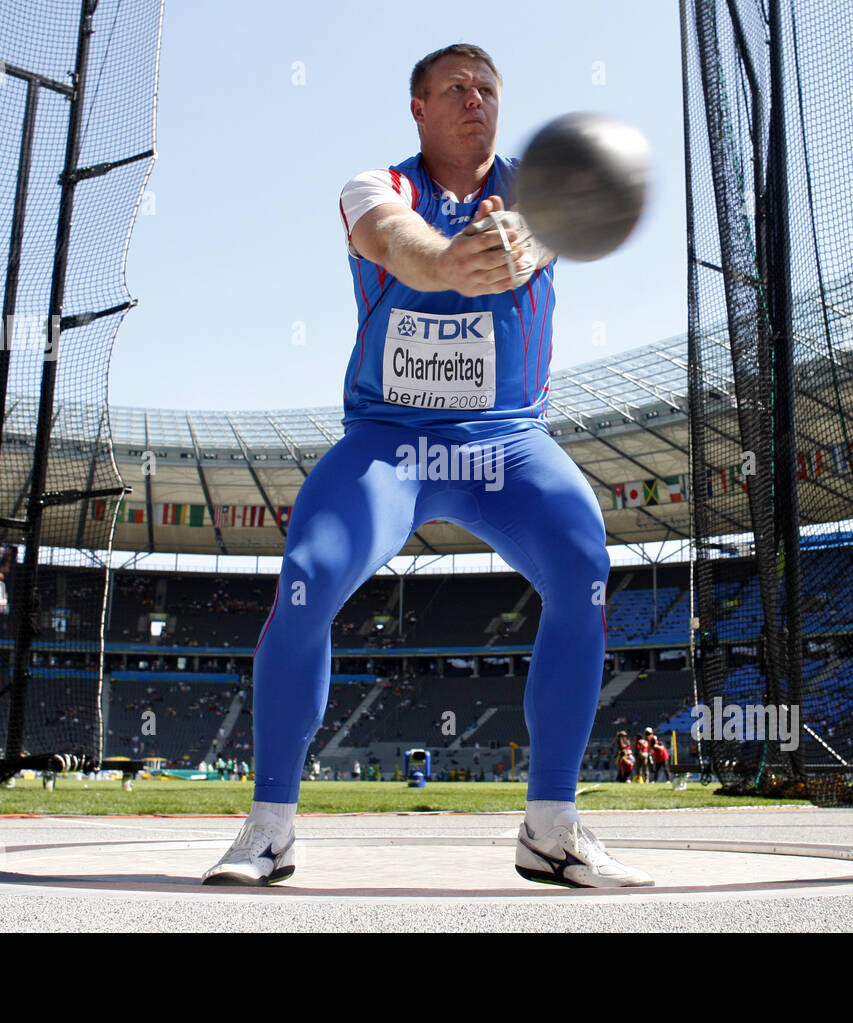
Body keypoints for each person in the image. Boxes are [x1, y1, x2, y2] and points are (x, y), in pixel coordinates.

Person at [201, 43, 651, 889]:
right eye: (454, 88)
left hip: (504, 440)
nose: (474, 100)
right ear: (418, 107)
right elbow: (388, 236)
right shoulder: (376, 185)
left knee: (585, 563)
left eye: (487, 89)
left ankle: (552, 825)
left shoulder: (534, 190)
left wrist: (536, 234)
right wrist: (444, 262)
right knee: (305, 576)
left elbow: (558, 220)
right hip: (388, 441)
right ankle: (269, 827)